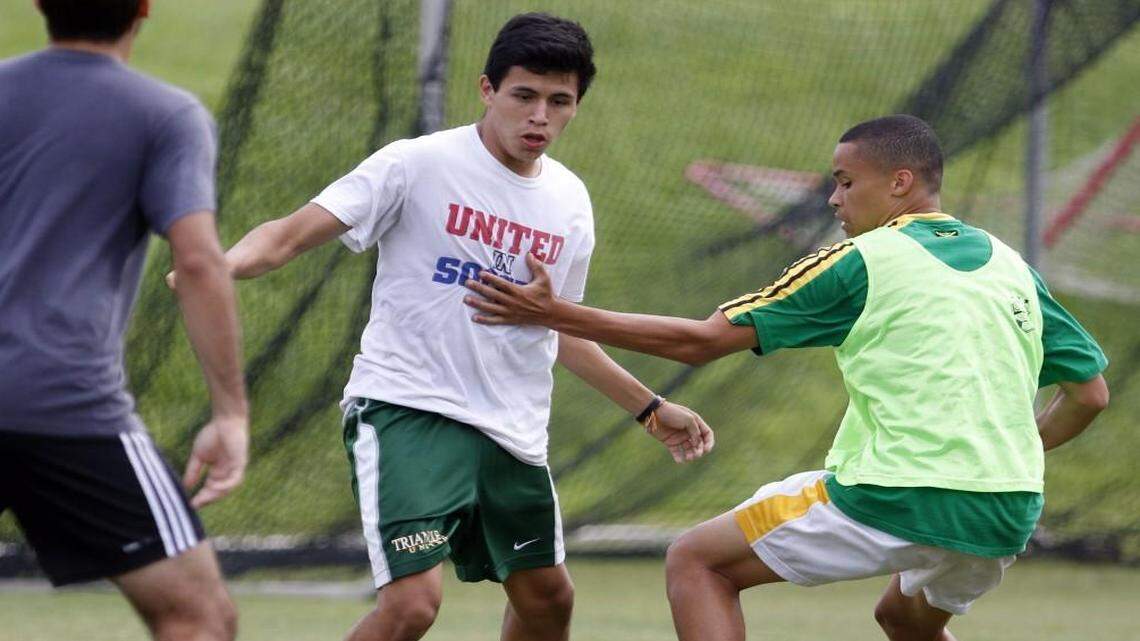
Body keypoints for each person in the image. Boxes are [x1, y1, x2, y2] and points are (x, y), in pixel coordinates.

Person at [168, 12, 713, 641]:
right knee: (412, 607)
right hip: (410, 410)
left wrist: (650, 408)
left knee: (548, 601)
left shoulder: (570, 202)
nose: (540, 116)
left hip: (511, 430)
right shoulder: (416, 163)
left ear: (576, 105)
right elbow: (287, 237)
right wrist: (215, 266)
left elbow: (560, 328)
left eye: (559, 101)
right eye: (524, 96)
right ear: (487, 90)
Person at [463, 114, 1110, 641]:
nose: (833, 198)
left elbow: (700, 341)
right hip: (1008, 507)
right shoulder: (1010, 266)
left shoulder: (861, 260)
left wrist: (554, 312)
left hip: (897, 494)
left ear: (901, 183)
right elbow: (1088, 393)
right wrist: (1011, 450)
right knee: (905, 619)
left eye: (845, 181)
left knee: (697, 561)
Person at [0, 1, 248, 640]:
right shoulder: (164, 114)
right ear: (143, 11)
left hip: (49, 400)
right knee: (200, 618)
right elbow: (197, 264)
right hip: (63, 404)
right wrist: (229, 414)